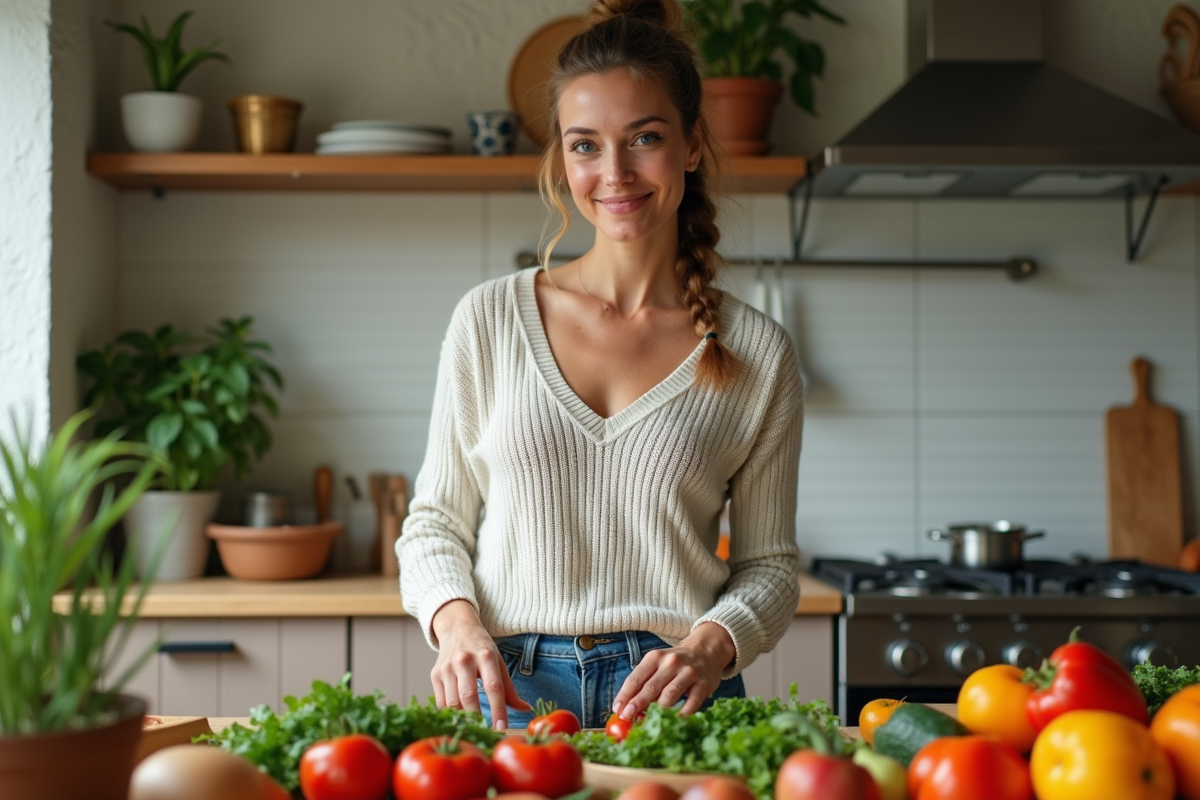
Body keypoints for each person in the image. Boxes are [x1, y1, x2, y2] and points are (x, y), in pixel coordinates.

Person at [397, 0, 803, 732]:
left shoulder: (758, 352)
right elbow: (433, 524)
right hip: (512, 694)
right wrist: (455, 626)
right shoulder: (489, 320)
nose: (613, 173)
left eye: (643, 138)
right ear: (562, 157)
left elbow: (770, 565)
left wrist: (713, 646)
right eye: (585, 145)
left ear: (690, 144)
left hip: (677, 698)